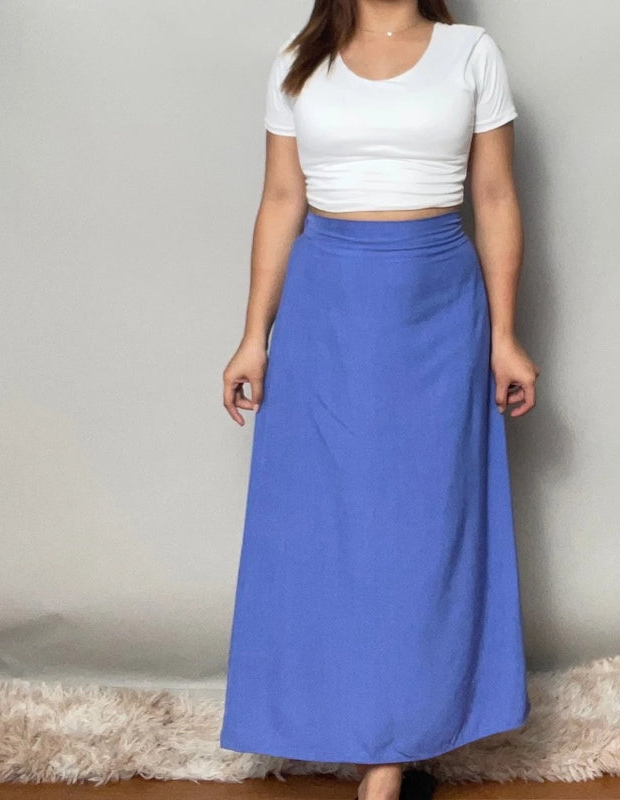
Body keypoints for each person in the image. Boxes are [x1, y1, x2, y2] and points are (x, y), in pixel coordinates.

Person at [220, 1, 540, 799]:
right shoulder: (299, 60)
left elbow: (495, 195)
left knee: (422, 527)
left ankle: (389, 757)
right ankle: (373, 745)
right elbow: (282, 199)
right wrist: (254, 334)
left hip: (438, 308)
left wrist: (505, 336)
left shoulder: (471, 52)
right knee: (333, 530)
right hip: (326, 309)